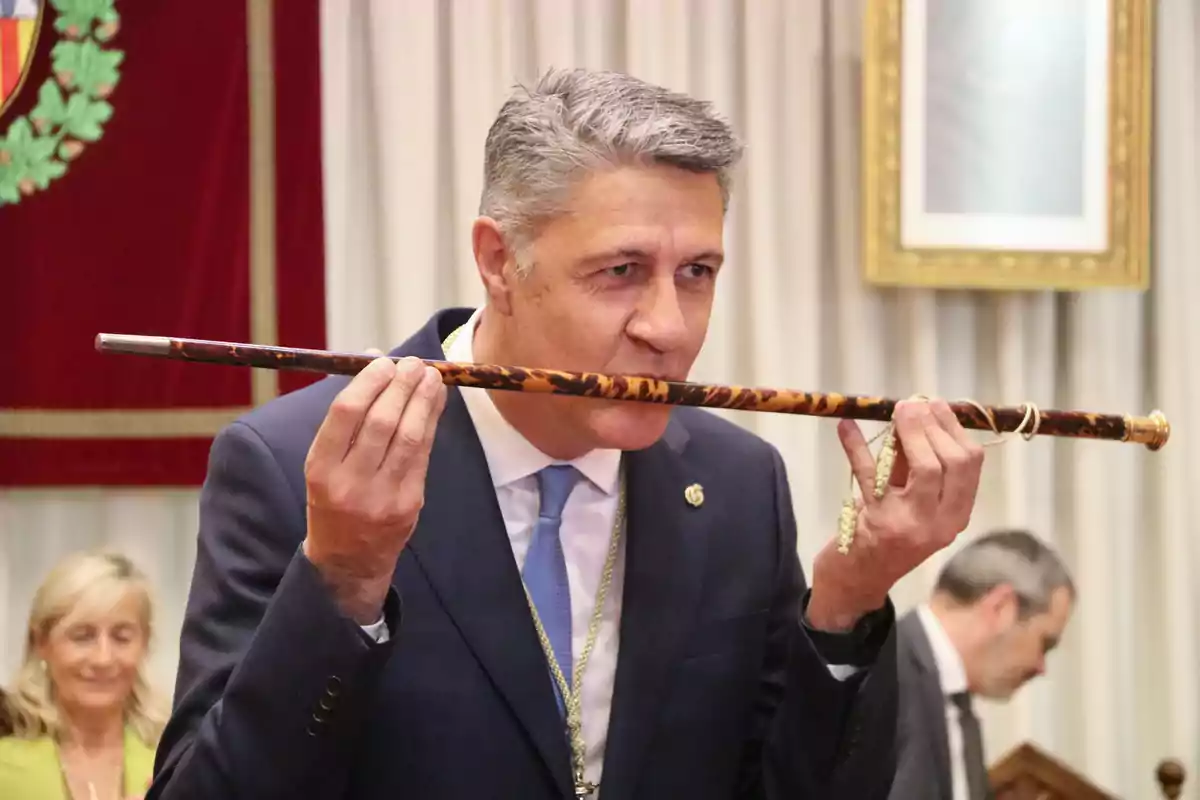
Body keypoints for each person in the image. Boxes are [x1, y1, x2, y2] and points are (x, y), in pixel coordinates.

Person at [148, 67, 985, 800]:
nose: (669, 328)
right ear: (499, 261)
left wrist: (847, 600)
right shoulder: (294, 464)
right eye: (620, 272)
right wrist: (342, 579)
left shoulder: (737, 485)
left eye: (697, 274)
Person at [887, 529, 1076, 800]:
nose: (1041, 667)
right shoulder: (877, 675)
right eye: (1044, 644)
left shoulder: (958, 706)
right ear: (1001, 607)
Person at [0, 550, 165, 800]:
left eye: (122, 637)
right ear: (41, 642)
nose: (103, 658)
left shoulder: (174, 760)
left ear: (145, 644)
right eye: (82, 637)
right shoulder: (6, 766)